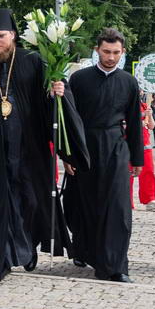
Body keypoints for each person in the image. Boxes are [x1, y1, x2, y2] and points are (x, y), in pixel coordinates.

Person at [0, 9, 85, 282]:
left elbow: (48, 105)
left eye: (1, 36)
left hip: (28, 148)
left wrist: (58, 93)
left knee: (31, 200)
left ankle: (26, 247)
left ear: (12, 35)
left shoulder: (32, 60)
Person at [59, 28, 143, 283]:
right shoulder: (79, 79)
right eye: (106, 52)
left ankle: (115, 265)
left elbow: (134, 122)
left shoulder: (129, 82)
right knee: (84, 203)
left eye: (116, 52)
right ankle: (83, 250)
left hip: (116, 147)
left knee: (118, 207)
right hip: (85, 146)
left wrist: (137, 159)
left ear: (123, 52)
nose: (111, 57)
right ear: (97, 50)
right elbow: (68, 118)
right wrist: (68, 155)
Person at [132, 96, 155, 212]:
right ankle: (126, 201)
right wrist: (141, 118)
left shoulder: (144, 105)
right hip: (128, 143)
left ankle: (150, 199)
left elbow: (151, 126)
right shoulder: (123, 102)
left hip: (145, 145)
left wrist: (149, 115)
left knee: (148, 172)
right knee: (127, 174)